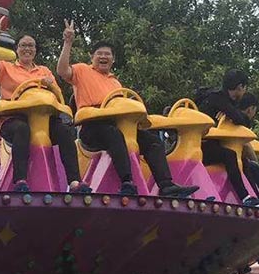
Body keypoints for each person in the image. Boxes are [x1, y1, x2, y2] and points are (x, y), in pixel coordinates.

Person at [57, 20, 199, 197]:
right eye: (99, 53)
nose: (103, 57)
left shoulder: (115, 83)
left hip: (119, 124)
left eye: (107, 54)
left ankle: (166, 185)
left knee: (152, 141)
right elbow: (62, 71)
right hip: (92, 127)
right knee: (113, 134)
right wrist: (68, 42)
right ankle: (127, 182)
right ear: (91, 56)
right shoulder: (82, 70)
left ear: (113, 59)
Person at [0, 14, 90, 194]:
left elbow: (58, 97)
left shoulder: (44, 71)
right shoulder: (6, 68)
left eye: (31, 45)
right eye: (23, 45)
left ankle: (74, 181)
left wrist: (50, 85)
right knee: (22, 129)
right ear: (17, 49)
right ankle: (20, 180)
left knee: (65, 131)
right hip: (13, 119)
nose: (27, 49)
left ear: (35, 50)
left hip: (43, 120)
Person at [196, 70, 259, 207]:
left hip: (212, 144)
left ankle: (257, 196)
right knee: (230, 155)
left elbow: (238, 117)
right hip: (202, 146)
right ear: (240, 87)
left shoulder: (225, 101)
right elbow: (241, 120)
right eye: (244, 88)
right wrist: (232, 116)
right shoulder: (218, 99)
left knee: (243, 160)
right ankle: (245, 197)